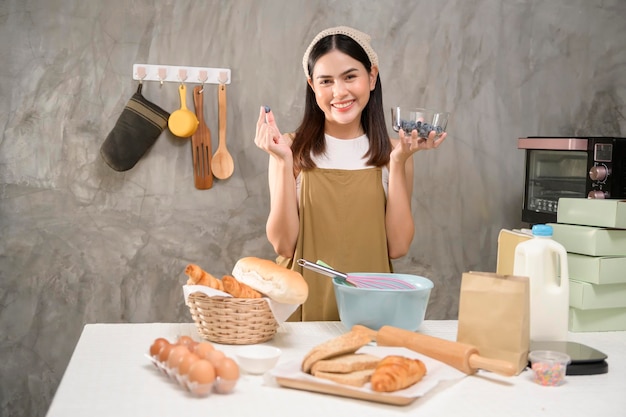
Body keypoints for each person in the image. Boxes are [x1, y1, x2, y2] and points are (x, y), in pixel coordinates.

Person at [254, 26, 446, 321]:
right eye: (326, 81)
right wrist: (282, 163)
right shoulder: (289, 148)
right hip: (302, 311)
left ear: (371, 77)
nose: (339, 92)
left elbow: (397, 246)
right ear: (312, 85)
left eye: (350, 76)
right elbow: (284, 244)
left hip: (372, 311)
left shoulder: (396, 153)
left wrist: (398, 163)